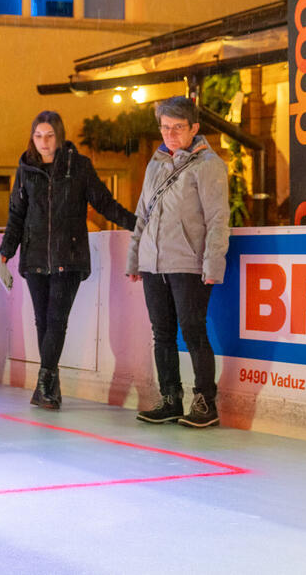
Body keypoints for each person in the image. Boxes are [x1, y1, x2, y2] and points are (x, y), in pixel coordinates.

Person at [0, 111, 137, 409]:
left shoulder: (78, 167)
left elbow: (104, 203)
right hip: (35, 255)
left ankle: (45, 382)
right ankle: (51, 387)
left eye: (49, 136)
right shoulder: (26, 170)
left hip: (69, 256)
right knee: (43, 321)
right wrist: (6, 249)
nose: (44, 142)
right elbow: (16, 215)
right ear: (32, 138)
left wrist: (138, 224)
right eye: (38, 136)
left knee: (56, 320)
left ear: (59, 137)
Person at [128, 96, 230, 428]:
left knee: (193, 331)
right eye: (165, 127)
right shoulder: (155, 163)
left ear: (194, 128)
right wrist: (135, 258)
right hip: (153, 264)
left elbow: (217, 219)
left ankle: (204, 402)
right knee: (162, 333)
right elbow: (142, 214)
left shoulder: (208, 165)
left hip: (187, 263)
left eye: (178, 127)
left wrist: (214, 263)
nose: (170, 134)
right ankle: (170, 398)